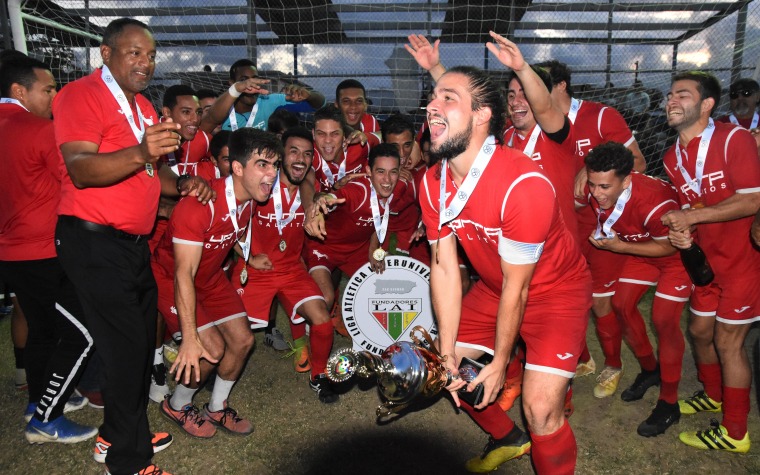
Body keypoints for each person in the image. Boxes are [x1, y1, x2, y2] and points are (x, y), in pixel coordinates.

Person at [409, 31, 591, 474]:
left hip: (555, 292)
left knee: (541, 410)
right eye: (432, 98)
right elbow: (446, 269)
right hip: (495, 288)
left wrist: (502, 361)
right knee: (444, 371)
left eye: (446, 99)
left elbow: (521, 286)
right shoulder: (432, 181)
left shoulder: (522, 183)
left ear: (482, 116)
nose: (432, 106)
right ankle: (507, 438)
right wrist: (449, 350)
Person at [54, 18, 213, 475]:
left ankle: (116, 434)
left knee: (142, 346)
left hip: (131, 243)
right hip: (91, 239)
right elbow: (82, 169)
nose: (146, 62)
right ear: (106, 54)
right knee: (125, 351)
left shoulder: (143, 106)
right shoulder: (80, 95)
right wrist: (143, 152)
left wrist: (182, 182)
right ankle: (128, 460)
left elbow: (152, 174)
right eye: (134, 52)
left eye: (151, 54)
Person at [152, 128, 279, 438]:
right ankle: (177, 404)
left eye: (275, 166)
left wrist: (245, 257)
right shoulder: (200, 204)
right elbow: (183, 273)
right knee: (211, 349)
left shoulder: (250, 198)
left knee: (243, 341)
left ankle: (217, 407)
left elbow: (229, 232)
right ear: (237, 168)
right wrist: (191, 337)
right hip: (171, 279)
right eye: (262, 164)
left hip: (208, 278)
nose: (272, 174)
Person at [660, 71, 760, 453]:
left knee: (727, 342)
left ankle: (735, 433)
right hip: (706, 265)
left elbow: (752, 199)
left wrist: (693, 218)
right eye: (670, 94)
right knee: (699, 332)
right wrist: (683, 233)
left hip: (743, 264)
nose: (671, 100)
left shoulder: (734, 139)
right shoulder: (672, 157)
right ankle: (713, 395)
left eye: (682, 95)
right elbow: (692, 207)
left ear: (706, 105)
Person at [0, 54, 97, 444]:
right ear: (18, 91)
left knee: (41, 330)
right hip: (43, 252)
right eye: (48, 89)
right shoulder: (41, 130)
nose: (55, 97)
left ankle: (38, 400)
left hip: (11, 253)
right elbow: (79, 178)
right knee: (83, 333)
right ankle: (45, 418)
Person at [535, 59, 647, 383]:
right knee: (564, 298)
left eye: (537, 87)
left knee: (599, 302)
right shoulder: (537, 128)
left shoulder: (600, 117)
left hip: (602, 227)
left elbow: (637, 163)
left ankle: (613, 366)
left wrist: (593, 166)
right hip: (561, 227)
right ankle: (582, 359)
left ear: (560, 86)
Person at [581, 142, 690, 437]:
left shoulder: (654, 203)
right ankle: (650, 369)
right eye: (592, 184)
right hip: (642, 251)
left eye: (604, 186)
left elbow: (669, 245)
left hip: (676, 258)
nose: (596, 192)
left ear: (627, 179)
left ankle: (669, 403)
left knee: (664, 321)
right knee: (621, 305)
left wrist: (618, 245)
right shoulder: (598, 188)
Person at [230, 126, 339, 402]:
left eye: (306, 154)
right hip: (255, 271)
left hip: (291, 271)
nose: (300, 159)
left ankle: (319, 376)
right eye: (293, 152)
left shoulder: (309, 187)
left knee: (323, 320)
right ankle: (213, 377)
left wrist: (321, 200)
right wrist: (246, 256)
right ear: (281, 154)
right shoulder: (261, 184)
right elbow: (225, 223)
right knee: (230, 334)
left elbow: (314, 189)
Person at [306, 143, 408, 318]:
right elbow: (335, 196)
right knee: (325, 299)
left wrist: (372, 249)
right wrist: (324, 199)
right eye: (381, 171)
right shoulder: (359, 190)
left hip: (357, 250)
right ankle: (309, 330)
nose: (387, 180)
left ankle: (366, 332)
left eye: (393, 172)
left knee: (389, 286)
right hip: (324, 247)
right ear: (369, 171)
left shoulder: (398, 187)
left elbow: (379, 220)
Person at [202, 58, 324, 132]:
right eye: (244, 80)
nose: (250, 83)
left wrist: (309, 95)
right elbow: (204, 127)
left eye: (254, 78)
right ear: (232, 84)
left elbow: (319, 104)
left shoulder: (268, 100)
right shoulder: (223, 108)